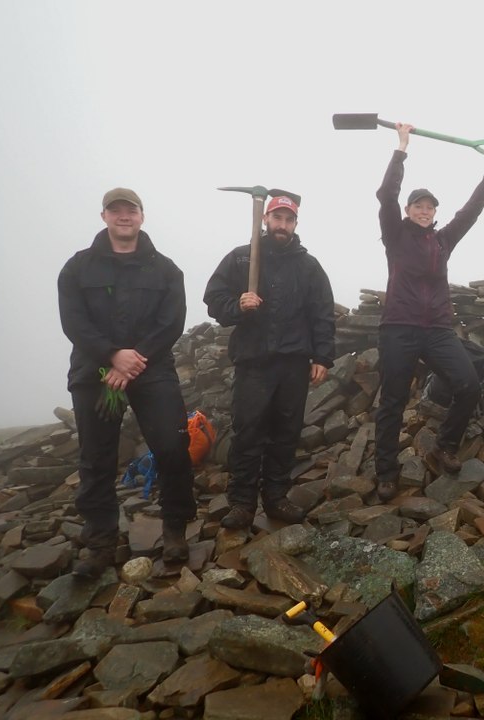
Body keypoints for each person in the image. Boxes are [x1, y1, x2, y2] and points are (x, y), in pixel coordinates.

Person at [58, 188, 197, 579]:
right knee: (97, 458)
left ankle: (174, 530)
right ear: (103, 216)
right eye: (115, 210)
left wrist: (131, 360)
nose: (124, 216)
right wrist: (111, 356)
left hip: (151, 369)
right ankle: (101, 543)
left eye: (130, 210)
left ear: (141, 216)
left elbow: (171, 322)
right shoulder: (77, 268)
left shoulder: (166, 270)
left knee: (172, 447)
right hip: (95, 373)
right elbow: (73, 321)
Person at [374, 123, 484, 501]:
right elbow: (386, 195)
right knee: (393, 400)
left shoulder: (442, 241)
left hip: (438, 330)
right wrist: (401, 148)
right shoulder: (395, 235)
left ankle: (444, 444)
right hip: (399, 327)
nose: (425, 211)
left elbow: (471, 211)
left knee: (468, 383)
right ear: (409, 210)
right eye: (419, 206)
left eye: (430, 207)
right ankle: (385, 470)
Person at [204, 193, 336, 529]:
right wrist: (238, 304)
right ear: (265, 220)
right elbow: (214, 298)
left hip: (293, 362)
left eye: (288, 219)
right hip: (254, 360)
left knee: (286, 433)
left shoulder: (309, 266)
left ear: (295, 224)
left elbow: (322, 313)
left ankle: (276, 498)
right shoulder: (242, 259)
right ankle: (242, 504)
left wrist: (322, 355)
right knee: (248, 432)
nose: (282, 225)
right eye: (277, 218)